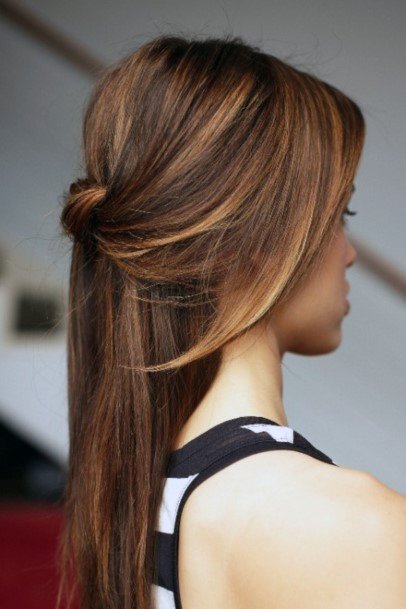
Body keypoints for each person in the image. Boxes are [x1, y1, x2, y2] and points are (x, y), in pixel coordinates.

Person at [57, 34, 406, 609]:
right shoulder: (338, 523)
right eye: (340, 214)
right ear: (259, 239)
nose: (350, 254)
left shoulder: (150, 499)